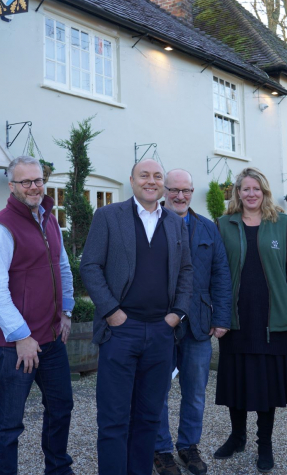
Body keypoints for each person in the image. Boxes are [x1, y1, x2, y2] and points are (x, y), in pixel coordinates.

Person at [80, 159, 193, 475]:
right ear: (131, 180)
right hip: (120, 332)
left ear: (163, 184)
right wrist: (112, 313)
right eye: (144, 175)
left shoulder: (173, 221)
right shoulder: (108, 217)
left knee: (148, 416)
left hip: (161, 333)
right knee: (114, 418)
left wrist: (177, 314)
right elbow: (90, 266)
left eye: (158, 176)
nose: (151, 181)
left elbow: (186, 269)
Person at [0, 156, 75, 475]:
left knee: (61, 409)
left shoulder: (49, 219)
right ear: (12, 186)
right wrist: (21, 336)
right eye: (25, 182)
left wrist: (67, 310)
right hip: (15, 347)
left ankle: (58, 469)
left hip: (50, 339)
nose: (34, 187)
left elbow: (61, 266)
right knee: (8, 424)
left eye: (38, 180)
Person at [213, 167, 287, 473]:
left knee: (267, 385)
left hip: (271, 319)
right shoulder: (223, 225)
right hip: (235, 318)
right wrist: (218, 312)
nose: (251, 193)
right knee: (236, 381)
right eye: (245, 188)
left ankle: (264, 445)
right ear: (237, 192)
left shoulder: (281, 223)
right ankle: (237, 436)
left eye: (257, 189)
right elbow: (215, 271)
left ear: (264, 192)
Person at [153, 169, 232, 475]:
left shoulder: (208, 229)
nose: (180, 196)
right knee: (157, 388)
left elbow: (221, 275)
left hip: (199, 322)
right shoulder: (151, 225)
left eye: (186, 190)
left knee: (195, 389)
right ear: (164, 192)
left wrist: (222, 317)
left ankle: (188, 446)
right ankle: (160, 449)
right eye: (174, 190)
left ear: (192, 192)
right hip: (159, 321)